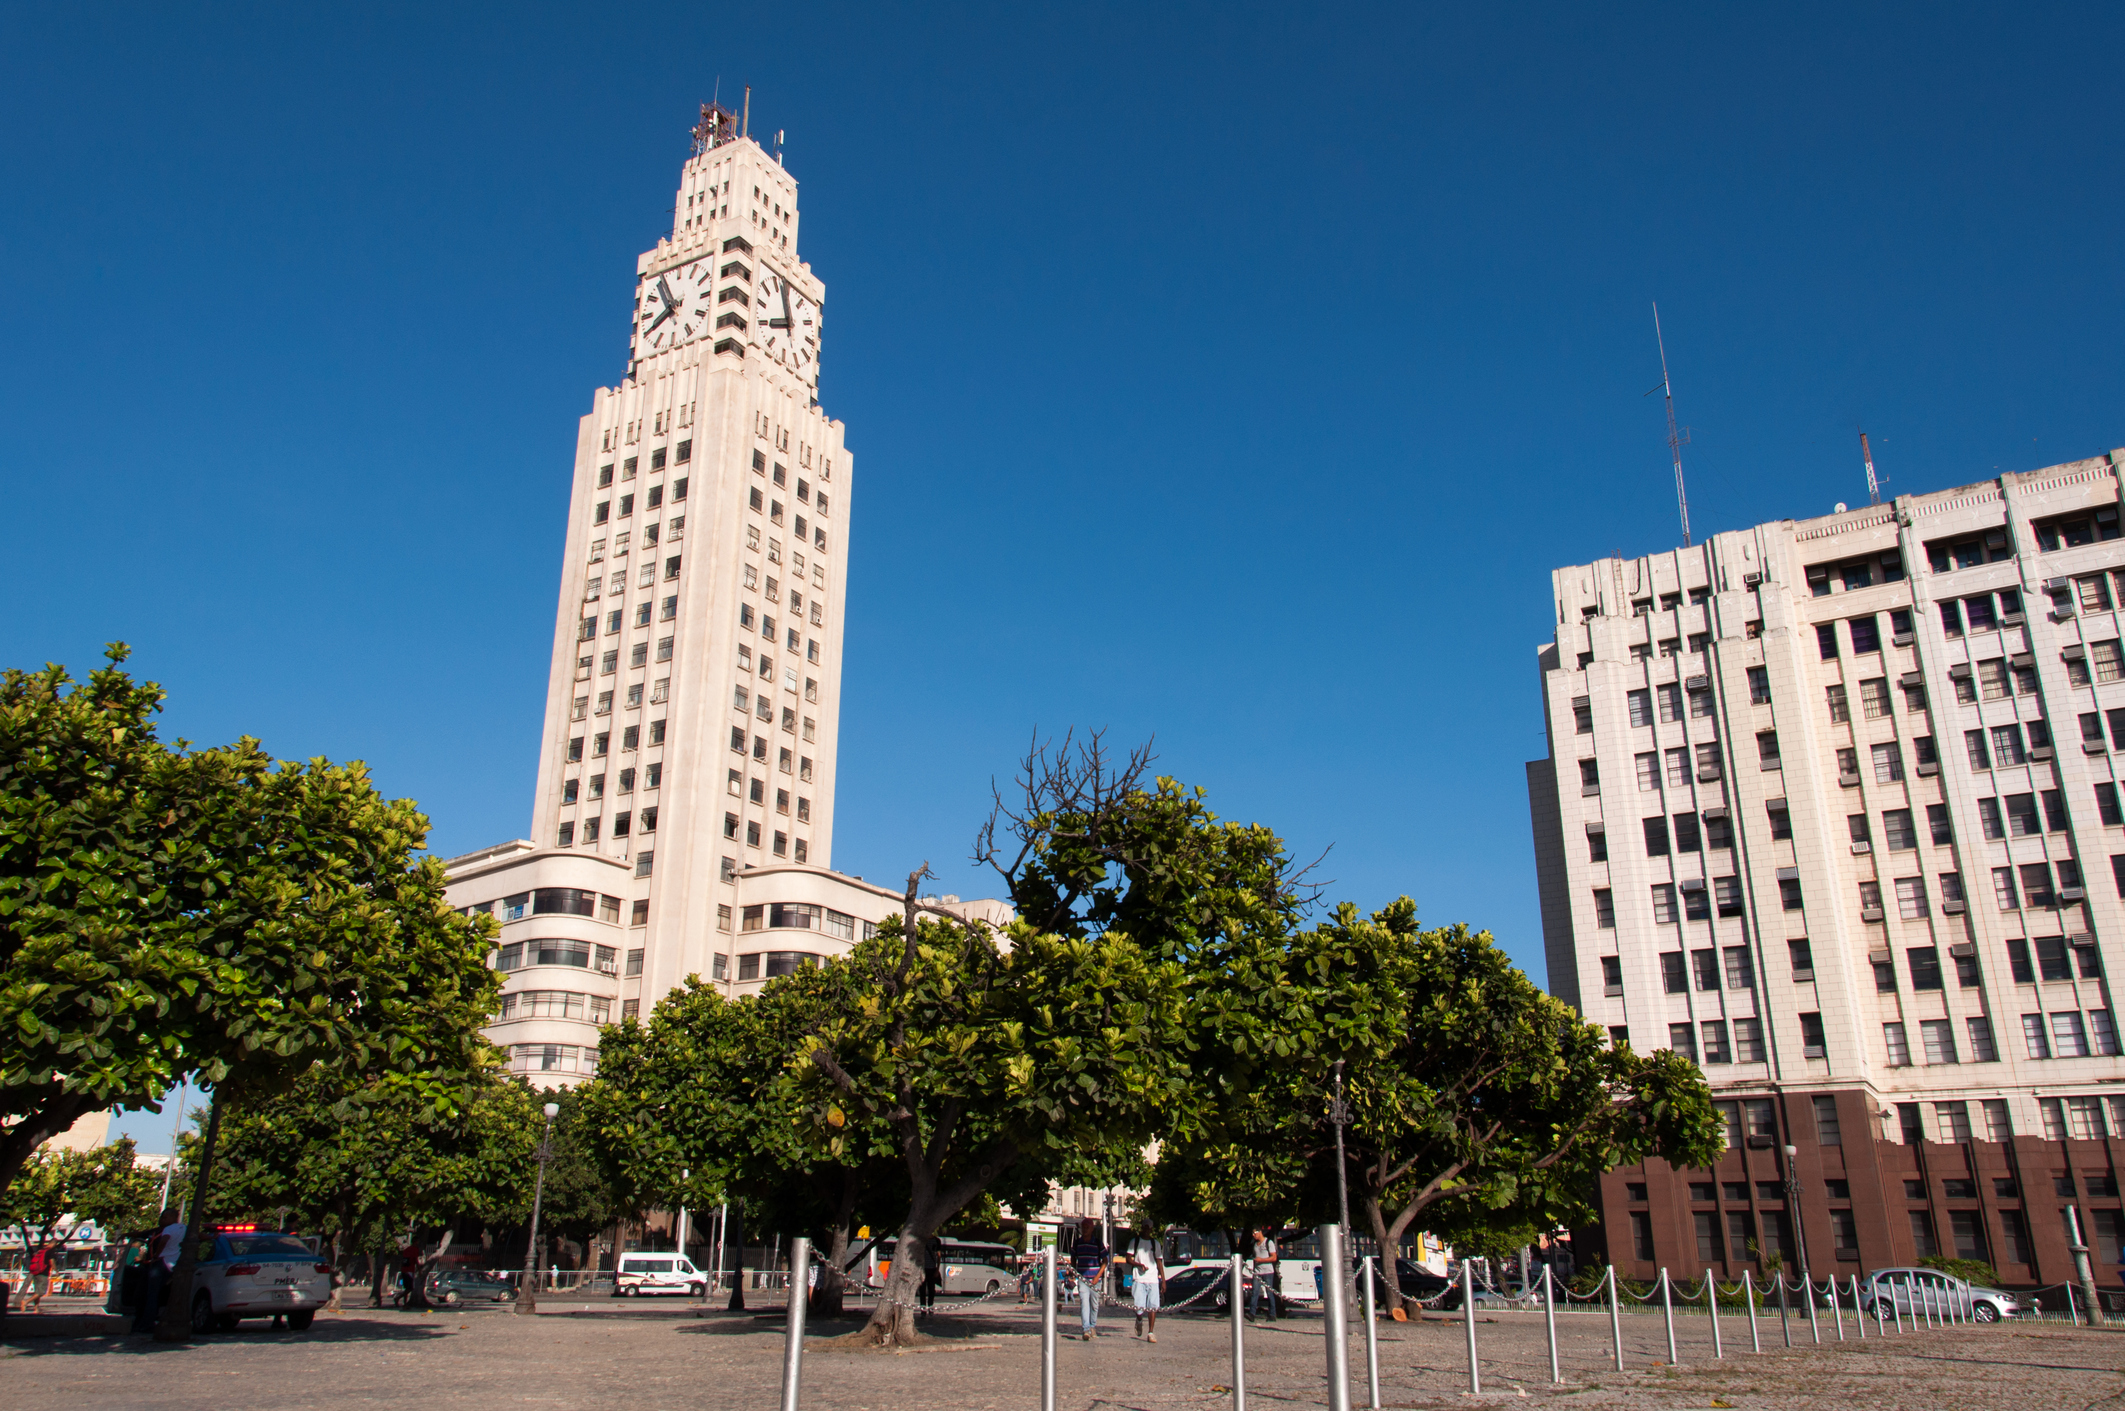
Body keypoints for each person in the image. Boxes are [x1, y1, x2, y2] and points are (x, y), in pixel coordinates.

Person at [131, 1208, 185, 1334]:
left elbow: (164, 1241)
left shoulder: (168, 1230)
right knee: (154, 1294)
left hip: (161, 1263)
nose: (161, 1220)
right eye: (162, 1217)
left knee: (151, 1294)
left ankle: (146, 1323)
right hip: (173, 1264)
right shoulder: (184, 1229)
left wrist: (156, 1256)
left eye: (164, 1217)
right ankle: (146, 1321)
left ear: (173, 1218)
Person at [1126, 1227, 1166, 1343]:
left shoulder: (1156, 1244)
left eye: (1149, 1228)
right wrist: (1138, 1264)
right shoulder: (1135, 1242)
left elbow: (1159, 1262)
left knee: (1153, 1306)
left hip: (1153, 1279)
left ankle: (1150, 1332)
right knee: (1139, 1307)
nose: (1147, 1230)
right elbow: (1128, 1258)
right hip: (1139, 1278)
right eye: (1146, 1227)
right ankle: (1139, 1320)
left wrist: (1163, 1280)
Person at [1069, 1230, 1108, 1340]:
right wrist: (1074, 1270)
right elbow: (1073, 1257)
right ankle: (1085, 1329)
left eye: (1087, 1227)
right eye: (1083, 1226)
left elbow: (1105, 1261)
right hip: (1083, 1279)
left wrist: (1097, 1276)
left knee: (1094, 1305)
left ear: (1091, 1228)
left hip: (1095, 1279)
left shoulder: (1097, 1243)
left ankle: (1092, 1326)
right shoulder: (1077, 1243)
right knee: (1084, 1303)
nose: (1085, 1229)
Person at [1249, 1227, 1279, 1322]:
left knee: (1269, 1293)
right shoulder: (1255, 1245)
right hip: (1257, 1272)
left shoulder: (1268, 1242)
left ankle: (1272, 1314)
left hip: (1268, 1272)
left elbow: (1274, 1257)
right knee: (1255, 1293)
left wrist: (1261, 1260)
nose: (1253, 1235)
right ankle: (1252, 1313)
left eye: (1255, 1233)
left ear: (1260, 1232)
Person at [918, 1236, 941, 1313]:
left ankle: (930, 1307)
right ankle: (923, 1310)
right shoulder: (921, 1239)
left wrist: (937, 1270)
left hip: (932, 1269)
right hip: (923, 1268)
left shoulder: (936, 1240)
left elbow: (939, 1255)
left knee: (931, 1290)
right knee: (922, 1290)